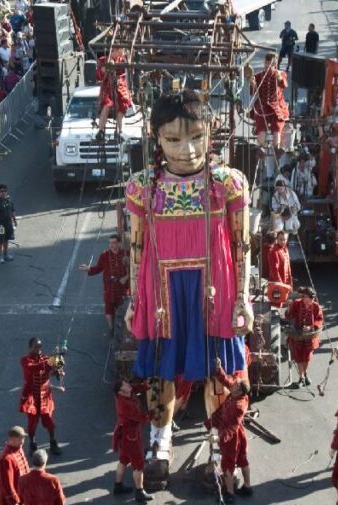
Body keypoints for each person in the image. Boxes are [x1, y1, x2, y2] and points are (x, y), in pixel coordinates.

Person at [124, 90, 253, 457]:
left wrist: (243, 299)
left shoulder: (230, 183)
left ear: (210, 132)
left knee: (217, 368)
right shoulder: (142, 188)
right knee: (161, 368)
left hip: (216, 285)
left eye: (197, 137)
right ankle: (160, 440)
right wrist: (135, 300)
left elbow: (242, 246)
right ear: (156, 137)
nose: (188, 149)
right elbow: (136, 249)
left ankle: (218, 437)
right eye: (174, 139)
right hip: (161, 287)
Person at [209, 359, 252, 503]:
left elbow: (229, 426)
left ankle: (230, 493)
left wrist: (218, 438)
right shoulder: (239, 395)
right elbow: (226, 381)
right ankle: (247, 486)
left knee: (227, 464)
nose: (232, 384)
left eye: (235, 384)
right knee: (242, 459)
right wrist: (219, 368)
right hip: (240, 433)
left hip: (231, 436)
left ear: (238, 390)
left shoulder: (237, 406)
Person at [112, 379, 154, 505]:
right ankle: (140, 492)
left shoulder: (122, 394)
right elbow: (141, 417)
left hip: (124, 436)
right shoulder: (125, 405)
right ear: (121, 391)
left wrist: (145, 386)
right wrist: (154, 413)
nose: (128, 385)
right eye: (125, 385)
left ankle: (118, 486)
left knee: (123, 459)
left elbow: (134, 389)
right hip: (131, 437)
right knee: (138, 464)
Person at [20, 338, 63, 455]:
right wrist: (50, 360)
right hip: (32, 396)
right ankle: (32, 443)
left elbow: (55, 369)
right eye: (36, 347)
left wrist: (59, 362)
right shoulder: (25, 360)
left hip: (45, 395)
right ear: (30, 347)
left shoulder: (46, 358)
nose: (38, 349)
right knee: (32, 423)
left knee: (49, 421)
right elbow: (33, 368)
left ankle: (53, 442)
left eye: (40, 347)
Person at [80, 235, 129, 331]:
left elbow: (134, 269)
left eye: (114, 243)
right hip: (109, 288)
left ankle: (123, 330)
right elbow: (98, 268)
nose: (111, 245)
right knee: (109, 310)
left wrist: (126, 277)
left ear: (119, 243)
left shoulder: (126, 254)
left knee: (124, 309)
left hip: (123, 288)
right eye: (110, 243)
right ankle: (111, 329)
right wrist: (89, 269)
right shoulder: (104, 256)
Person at [249, 53, 290, 151]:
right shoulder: (258, 76)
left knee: (277, 127)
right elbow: (253, 93)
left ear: (275, 64)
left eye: (270, 64)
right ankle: (261, 147)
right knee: (261, 126)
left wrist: (279, 78)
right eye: (266, 63)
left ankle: (277, 148)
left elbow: (284, 85)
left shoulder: (281, 74)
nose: (268, 66)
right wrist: (252, 84)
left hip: (277, 106)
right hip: (262, 106)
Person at [286, 287, 323, 387]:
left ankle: (305, 374)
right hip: (297, 335)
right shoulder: (297, 303)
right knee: (298, 357)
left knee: (306, 357)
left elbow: (319, 319)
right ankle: (301, 377)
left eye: (312, 299)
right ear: (304, 297)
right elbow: (289, 316)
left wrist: (312, 327)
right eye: (308, 299)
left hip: (309, 337)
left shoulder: (316, 307)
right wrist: (289, 307)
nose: (310, 301)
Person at [96, 46, 132, 141]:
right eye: (122, 49)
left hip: (121, 88)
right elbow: (99, 75)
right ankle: (100, 131)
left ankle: (119, 131)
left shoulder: (123, 60)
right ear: (116, 50)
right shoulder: (104, 60)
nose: (123, 52)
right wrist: (105, 70)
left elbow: (126, 69)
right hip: (108, 88)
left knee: (122, 106)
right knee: (107, 104)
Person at [0, 183, 17, 263]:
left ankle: (5, 254)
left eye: (4, 191)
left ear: (7, 192)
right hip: (0, 225)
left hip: (8, 224)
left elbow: (12, 211)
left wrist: (14, 221)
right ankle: (0, 256)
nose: (3, 192)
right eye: (1, 191)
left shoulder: (8, 200)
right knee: (0, 240)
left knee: (6, 239)